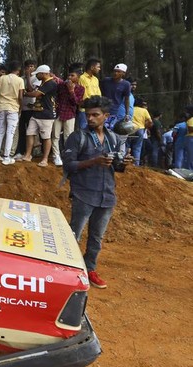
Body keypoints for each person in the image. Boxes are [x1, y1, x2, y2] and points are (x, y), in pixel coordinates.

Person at [62, 95, 132, 289]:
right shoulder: (78, 137)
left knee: (96, 237)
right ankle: (68, 272)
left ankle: (90, 268)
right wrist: (94, 161)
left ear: (106, 116)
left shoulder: (114, 138)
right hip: (83, 194)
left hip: (107, 195)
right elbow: (68, 164)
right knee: (73, 234)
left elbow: (116, 168)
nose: (90, 118)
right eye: (88, 115)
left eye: (95, 115)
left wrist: (124, 163)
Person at [23, 65, 58, 167]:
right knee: (30, 133)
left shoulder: (50, 83)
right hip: (36, 113)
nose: (37, 76)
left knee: (46, 137)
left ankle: (45, 159)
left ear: (43, 73)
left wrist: (24, 93)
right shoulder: (43, 82)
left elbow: (36, 94)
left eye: (38, 74)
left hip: (46, 115)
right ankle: (28, 155)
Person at [0, 60, 24, 165]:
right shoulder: (19, 80)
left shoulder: (2, 78)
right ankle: (7, 156)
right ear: (18, 70)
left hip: (1, 107)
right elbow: (20, 96)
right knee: (10, 132)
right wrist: (20, 108)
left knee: (1, 131)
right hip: (13, 108)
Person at [52, 65, 85, 166]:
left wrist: (71, 91)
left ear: (78, 77)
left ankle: (67, 156)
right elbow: (56, 96)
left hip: (70, 114)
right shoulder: (61, 86)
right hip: (59, 112)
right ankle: (56, 156)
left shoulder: (80, 89)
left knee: (68, 136)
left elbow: (76, 102)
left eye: (72, 75)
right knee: (55, 135)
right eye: (69, 75)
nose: (70, 77)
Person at [12, 60, 37, 159]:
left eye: (32, 66)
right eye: (28, 67)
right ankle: (20, 151)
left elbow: (30, 89)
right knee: (21, 130)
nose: (30, 68)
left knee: (30, 131)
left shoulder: (36, 78)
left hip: (32, 108)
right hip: (23, 108)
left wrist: (28, 77)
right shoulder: (20, 79)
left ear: (34, 68)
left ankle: (29, 152)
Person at [77, 58, 101, 130]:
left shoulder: (95, 79)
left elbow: (98, 94)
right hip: (84, 110)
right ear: (92, 67)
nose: (99, 69)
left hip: (95, 109)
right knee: (83, 129)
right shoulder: (81, 78)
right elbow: (80, 94)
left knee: (94, 129)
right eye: (98, 67)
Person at [131, 98, 152, 166]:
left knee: (126, 146)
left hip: (130, 129)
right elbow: (150, 121)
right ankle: (136, 164)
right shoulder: (144, 110)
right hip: (140, 129)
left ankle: (125, 163)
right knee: (137, 148)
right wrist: (146, 127)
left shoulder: (130, 108)